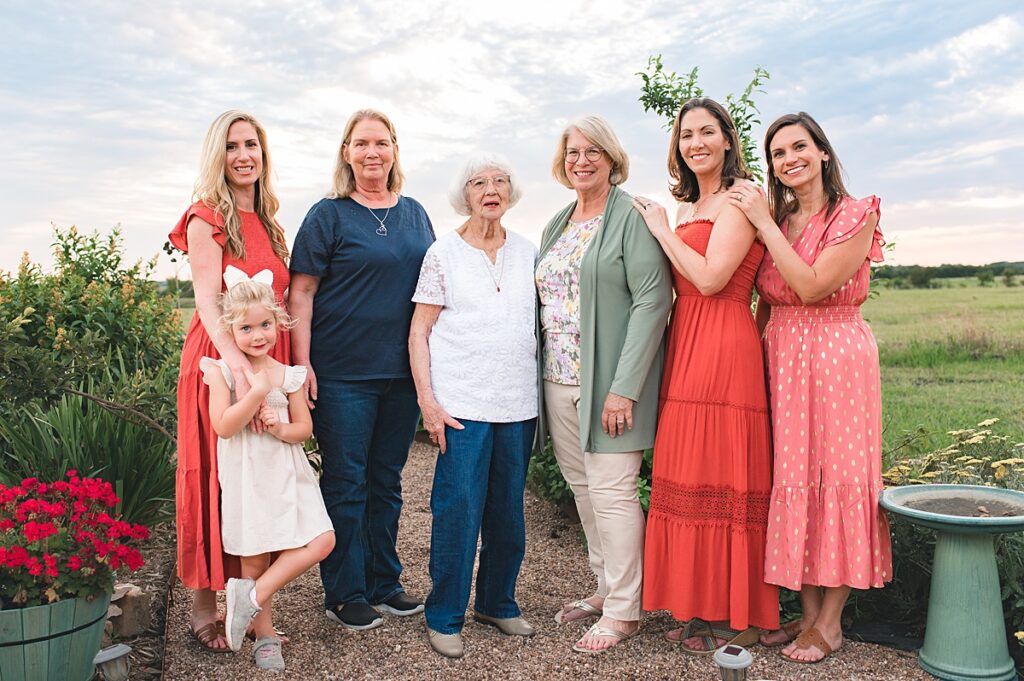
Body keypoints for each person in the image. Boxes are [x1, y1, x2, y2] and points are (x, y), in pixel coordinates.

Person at [728, 111, 893, 664]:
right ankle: (807, 607)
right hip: (782, 355)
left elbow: (815, 285)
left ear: (822, 152)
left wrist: (765, 224)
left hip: (838, 354)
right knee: (792, 474)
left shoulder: (855, 213)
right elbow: (765, 300)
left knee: (842, 475)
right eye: (777, 153)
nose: (788, 159)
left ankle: (831, 622)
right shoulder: (780, 218)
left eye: (798, 147)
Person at [632, 97, 779, 653]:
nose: (695, 143)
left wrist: (662, 231)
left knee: (726, 473)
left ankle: (736, 612)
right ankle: (699, 605)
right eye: (686, 134)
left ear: (726, 140)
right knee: (690, 472)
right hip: (686, 344)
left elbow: (714, 279)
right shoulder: (694, 206)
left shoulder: (739, 202)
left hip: (723, 344)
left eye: (706, 133)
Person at [290, 109, 435, 631]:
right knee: (347, 482)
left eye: (381, 142)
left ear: (394, 149)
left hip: (401, 374)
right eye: (361, 144)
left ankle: (384, 583)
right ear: (346, 152)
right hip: (343, 372)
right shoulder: (327, 215)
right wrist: (301, 363)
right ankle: (345, 591)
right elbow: (300, 293)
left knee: (387, 481)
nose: (372, 152)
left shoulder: (416, 213)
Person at [536, 115, 672, 654]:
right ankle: (606, 587)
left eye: (593, 151)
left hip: (610, 384)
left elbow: (653, 300)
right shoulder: (559, 222)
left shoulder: (631, 216)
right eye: (573, 152)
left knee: (614, 492)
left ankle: (625, 611)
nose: (582, 161)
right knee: (584, 490)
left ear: (613, 158)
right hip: (557, 379)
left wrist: (624, 389)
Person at [169, 110, 292, 653]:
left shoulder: (268, 221)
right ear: (218, 156)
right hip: (219, 360)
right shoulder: (205, 217)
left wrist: (274, 374)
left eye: (253, 145)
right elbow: (204, 298)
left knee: (259, 478)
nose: (244, 155)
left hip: (264, 359)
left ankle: (249, 600)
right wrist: (238, 368)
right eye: (233, 146)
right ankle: (202, 604)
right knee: (210, 471)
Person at [409, 154, 538, 659]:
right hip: (462, 403)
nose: (491, 189)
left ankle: (498, 603)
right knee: (458, 510)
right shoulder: (443, 253)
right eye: (480, 182)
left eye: (501, 180)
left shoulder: (527, 251)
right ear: (465, 194)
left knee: (508, 512)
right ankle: (444, 614)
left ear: (511, 191)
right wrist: (429, 402)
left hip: (517, 403)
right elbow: (419, 331)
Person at [202, 271, 335, 671]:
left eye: (265, 324)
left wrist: (278, 426)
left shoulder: (288, 374)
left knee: (322, 539)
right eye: (246, 327)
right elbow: (224, 425)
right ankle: (264, 636)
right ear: (230, 329)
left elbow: (303, 430)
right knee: (256, 557)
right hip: (247, 476)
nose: (258, 334)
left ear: (278, 321)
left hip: (287, 474)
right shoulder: (222, 373)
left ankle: (249, 598)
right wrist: (255, 392)